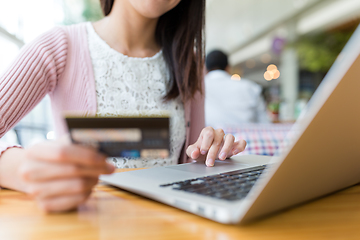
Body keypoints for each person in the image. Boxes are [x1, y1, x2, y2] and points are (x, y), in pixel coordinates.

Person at [0, 0, 246, 213]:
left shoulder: (188, 64)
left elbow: (191, 167)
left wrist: (211, 152)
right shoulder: (58, 47)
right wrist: (22, 169)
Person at [205, 50, 270, 128]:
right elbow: (264, 123)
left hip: (211, 138)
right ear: (228, 67)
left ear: (206, 69)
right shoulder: (250, 87)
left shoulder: (198, 89)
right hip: (248, 138)